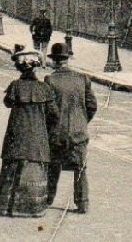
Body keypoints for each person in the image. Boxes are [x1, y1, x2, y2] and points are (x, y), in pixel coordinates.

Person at [0, 46, 58, 218]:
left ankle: (5, 207)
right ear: (35, 66)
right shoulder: (44, 88)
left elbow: (7, 102)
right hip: (37, 136)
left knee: (11, 168)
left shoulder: (15, 86)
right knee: (34, 168)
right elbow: (54, 114)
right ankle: (31, 208)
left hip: (16, 135)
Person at [44, 43, 97, 213]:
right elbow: (92, 105)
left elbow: (49, 109)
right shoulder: (82, 79)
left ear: (54, 61)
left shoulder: (50, 80)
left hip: (57, 132)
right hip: (79, 132)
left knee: (53, 167)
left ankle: (48, 198)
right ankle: (82, 203)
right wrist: (82, 121)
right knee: (80, 168)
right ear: (68, 59)